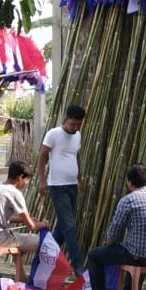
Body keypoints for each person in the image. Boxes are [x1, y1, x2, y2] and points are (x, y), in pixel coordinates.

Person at [81, 164, 146, 290]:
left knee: (95, 255)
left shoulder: (128, 200)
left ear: (129, 183)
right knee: (131, 246)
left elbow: (113, 234)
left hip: (138, 256)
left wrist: (108, 244)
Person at [37, 104, 87, 275]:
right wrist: (42, 181)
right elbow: (42, 156)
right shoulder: (53, 134)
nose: (75, 127)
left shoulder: (78, 136)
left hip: (72, 185)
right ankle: (78, 266)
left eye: (78, 124)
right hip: (57, 186)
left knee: (63, 227)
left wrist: (79, 180)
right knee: (70, 226)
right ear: (65, 120)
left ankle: (45, 258)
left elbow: (76, 157)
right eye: (73, 124)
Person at [0, 161, 49, 253]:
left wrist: (22, 220)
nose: (25, 183)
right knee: (40, 241)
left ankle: (19, 266)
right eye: (26, 179)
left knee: (20, 240)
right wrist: (44, 224)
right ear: (20, 177)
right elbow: (31, 226)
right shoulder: (14, 192)